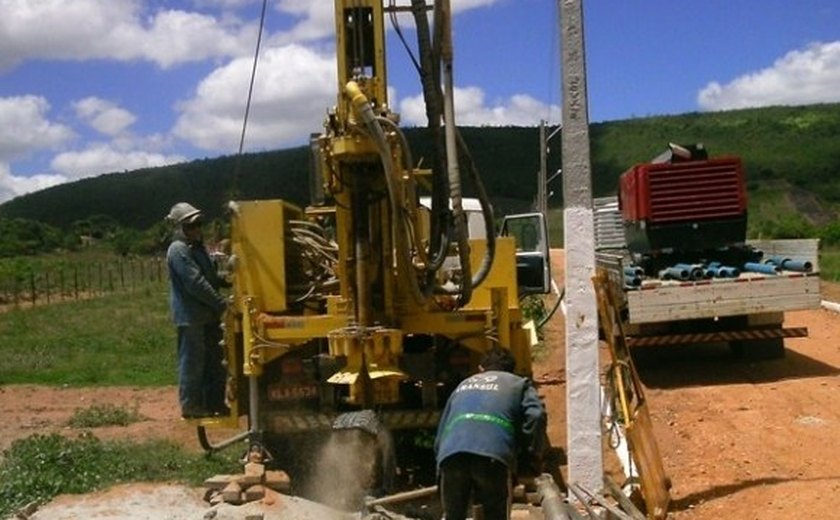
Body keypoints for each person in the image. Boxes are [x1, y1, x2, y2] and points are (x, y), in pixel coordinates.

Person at [435, 346, 547, 520]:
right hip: (492, 457)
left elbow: (443, 429)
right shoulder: (518, 383)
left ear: (481, 369)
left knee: (453, 516)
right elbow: (536, 415)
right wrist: (529, 455)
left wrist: (440, 468)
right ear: (511, 370)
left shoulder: (463, 385)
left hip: (451, 456)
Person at [165, 202, 229, 419]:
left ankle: (215, 403)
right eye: (191, 226)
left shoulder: (197, 248)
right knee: (192, 363)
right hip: (191, 318)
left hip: (208, 316)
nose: (197, 229)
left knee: (216, 362)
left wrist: (226, 279)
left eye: (198, 224)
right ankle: (191, 406)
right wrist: (221, 303)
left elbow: (209, 276)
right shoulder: (178, 250)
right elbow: (195, 283)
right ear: (178, 228)